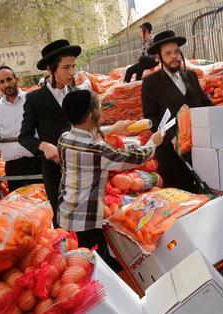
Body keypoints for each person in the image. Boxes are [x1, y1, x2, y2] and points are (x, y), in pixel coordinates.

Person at [58, 90, 163, 268]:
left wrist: (113, 129)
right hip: (87, 220)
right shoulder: (97, 149)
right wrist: (153, 142)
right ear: (91, 116)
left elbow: (88, 135)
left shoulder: (65, 138)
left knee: (78, 258)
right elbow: (133, 159)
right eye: (99, 107)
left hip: (67, 212)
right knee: (95, 263)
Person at [19, 39, 83, 225]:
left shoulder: (77, 94)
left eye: (73, 66)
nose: (72, 72)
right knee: (62, 223)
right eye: (66, 67)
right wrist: (44, 146)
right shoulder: (35, 99)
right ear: (51, 69)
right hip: (55, 174)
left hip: (81, 169)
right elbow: (24, 136)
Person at [141, 30, 212, 191]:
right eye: (168, 53)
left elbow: (204, 103)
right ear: (159, 57)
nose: (174, 56)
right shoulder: (151, 83)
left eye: (176, 52)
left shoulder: (192, 76)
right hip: (171, 155)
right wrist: (171, 137)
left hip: (199, 150)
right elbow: (151, 117)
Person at [0, 65, 41, 193]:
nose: (6, 84)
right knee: (16, 205)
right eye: (2, 81)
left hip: (34, 162)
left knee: (37, 205)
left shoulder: (32, 99)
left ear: (16, 79)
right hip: (12, 166)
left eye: (9, 79)